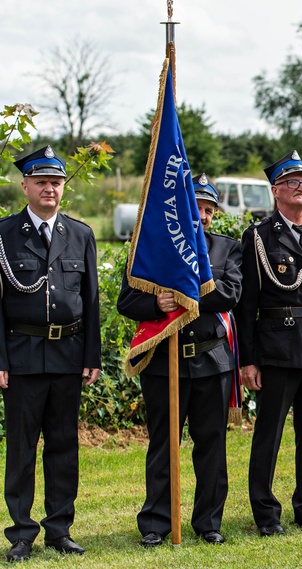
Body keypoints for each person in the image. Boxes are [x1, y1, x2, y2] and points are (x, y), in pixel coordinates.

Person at [118, 174, 242, 546]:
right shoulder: (151, 250)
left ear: (214, 214)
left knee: (211, 445)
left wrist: (188, 295)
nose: (201, 216)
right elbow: (127, 302)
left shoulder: (226, 249)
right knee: (163, 445)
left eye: (207, 209)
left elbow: (230, 294)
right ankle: (156, 523)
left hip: (211, 361)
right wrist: (156, 303)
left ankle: (208, 523)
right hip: (163, 363)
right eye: (194, 208)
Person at [235, 151, 302, 534]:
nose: (301, 188)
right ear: (276, 191)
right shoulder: (259, 237)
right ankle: (266, 514)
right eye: (293, 182)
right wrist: (248, 360)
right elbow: (246, 306)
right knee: (269, 436)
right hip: (277, 351)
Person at [1, 146, 101, 561]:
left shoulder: (80, 234)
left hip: (68, 354)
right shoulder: (3, 234)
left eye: (56, 182)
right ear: (25, 185)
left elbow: (92, 301)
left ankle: (59, 529)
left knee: (63, 446)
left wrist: (91, 356)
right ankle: (22, 533)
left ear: (64, 188)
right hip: (22, 355)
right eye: (41, 181)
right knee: (22, 448)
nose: (49, 188)